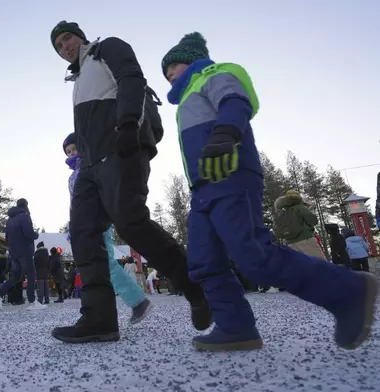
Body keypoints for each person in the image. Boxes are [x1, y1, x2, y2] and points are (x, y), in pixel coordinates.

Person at [161, 31, 378, 351]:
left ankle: (349, 292)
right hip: (202, 188)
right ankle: (236, 327)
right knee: (203, 261)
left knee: (252, 255)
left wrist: (226, 132)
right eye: (166, 76)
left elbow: (235, 100)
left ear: (190, 61)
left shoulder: (215, 73)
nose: (169, 78)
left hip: (231, 175)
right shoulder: (185, 102)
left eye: (172, 70)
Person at [49, 21, 210, 343]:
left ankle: (196, 287)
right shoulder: (79, 77)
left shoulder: (107, 48)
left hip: (121, 148)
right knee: (83, 234)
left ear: (80, 35)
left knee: (130, 222)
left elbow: (132, 79)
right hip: (90, 166)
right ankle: (99, 320)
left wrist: (126, 126)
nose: (64, 46)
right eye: (58, 45)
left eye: (67, 37)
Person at [63, 132, 152, 324]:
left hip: (96, 220)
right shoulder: (74, 175)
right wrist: (74, 226)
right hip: (84, 222)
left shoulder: (92, 167)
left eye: (74, 149)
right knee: (95, 264)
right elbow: (74, 203)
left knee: (104, 263)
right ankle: (97, 307)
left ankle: (137, 301)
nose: (71, 154)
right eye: (68, 152)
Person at [0, 198, 46, 311]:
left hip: (13, 253)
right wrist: (36, 235)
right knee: (31, 275)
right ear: (26, 205)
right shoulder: (25, 216)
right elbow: (28, 232)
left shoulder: (9, 219)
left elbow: (6, 237)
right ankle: (32, 301)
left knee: (16, 276)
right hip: (25, 251)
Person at [273, 190, 325, 259]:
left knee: (302, 268)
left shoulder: (281, 211)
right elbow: (313, 221)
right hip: (306, 240)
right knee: (321, 265)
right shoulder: (300, 207)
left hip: (290, 244)